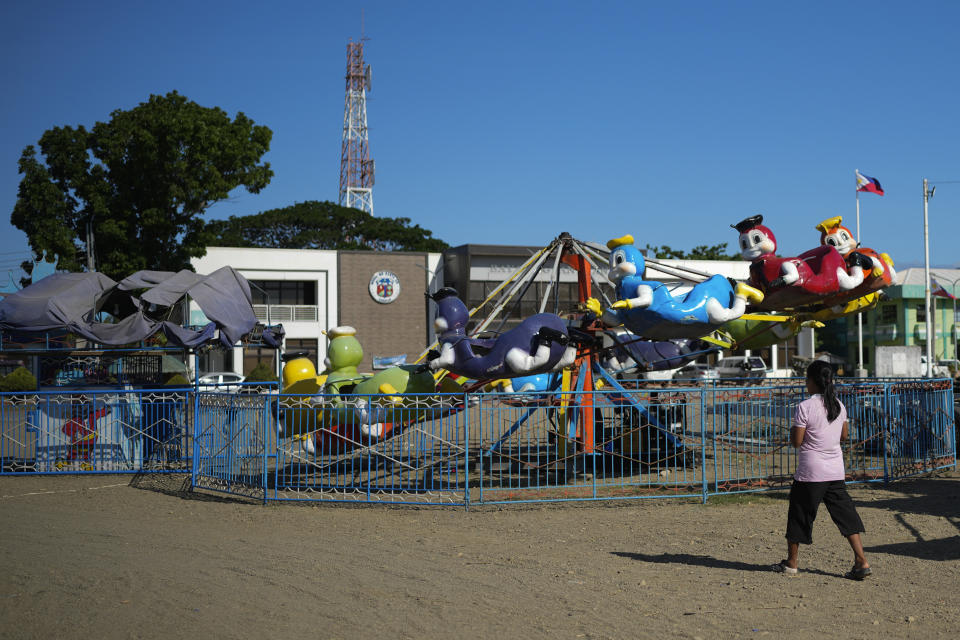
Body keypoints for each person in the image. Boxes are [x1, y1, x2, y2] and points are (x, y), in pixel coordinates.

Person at [772, 360, 871, 579]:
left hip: (811, 472)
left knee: (799, 515)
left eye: (806, 379)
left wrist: (794, 432)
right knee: (845, 514)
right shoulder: (839, 405)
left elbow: (797, 442)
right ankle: (861, 560)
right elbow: (843, 436)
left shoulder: (805, 406)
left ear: (812, 381)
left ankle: (791, 562)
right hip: (835, 470)